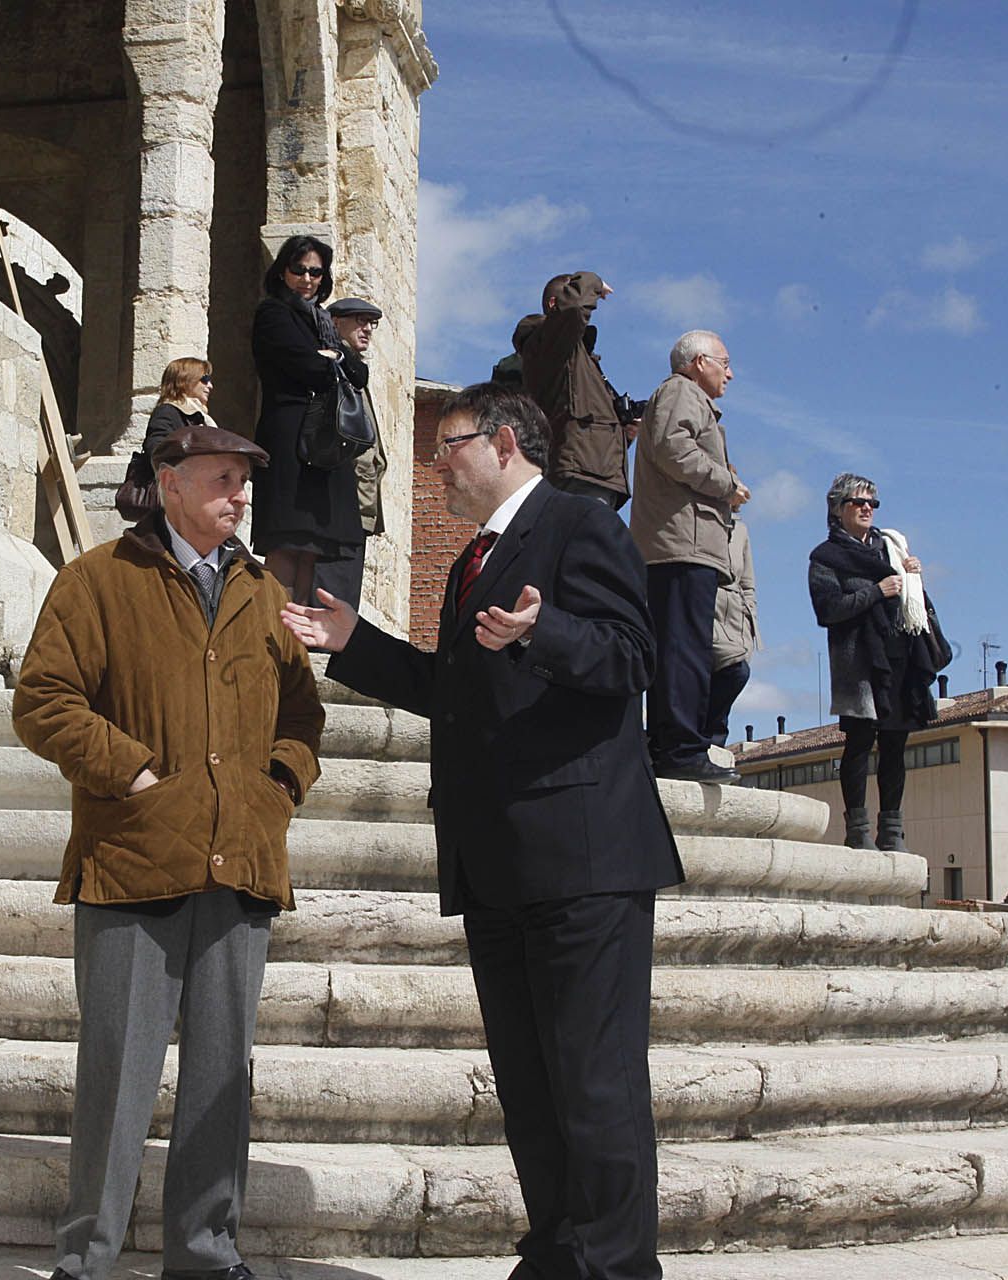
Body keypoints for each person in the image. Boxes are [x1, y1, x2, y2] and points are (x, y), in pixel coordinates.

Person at [281, 383, 682, 1280]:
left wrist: (548, 632)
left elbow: (632, 657)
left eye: (447, 446)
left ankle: (615, 1268)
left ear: (502, 442)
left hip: (581, 855)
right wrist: (356, 642)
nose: (437, 466)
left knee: (594, 1084)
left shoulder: (579, 527)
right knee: (531, 1090)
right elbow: (454, 694)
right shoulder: (475, 559)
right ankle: (554, 1255)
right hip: (497, 861)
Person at [13, 423, 325, 1280]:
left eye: (244, 481)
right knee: (116, 1074)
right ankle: (87, 1258)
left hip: (242, 861)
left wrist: (279, 786)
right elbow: (42, 701)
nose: (240, 494)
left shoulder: (262, 595)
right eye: (223, 478)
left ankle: (205, 1252)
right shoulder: (96, 583)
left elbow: (302, 712)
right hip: (133, 860)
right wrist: (134, 773)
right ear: (170, 482)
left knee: (223, 1077)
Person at [807, 471, 951, 852]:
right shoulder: (825, 557)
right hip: (860, 665)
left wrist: (913, 578)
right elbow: (828, 609)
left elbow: (911, 604)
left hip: (900, 657)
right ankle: (857, 830)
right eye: (859, 502)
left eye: (873, 502)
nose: (868, 508)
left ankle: (893, 831)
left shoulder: (893, 549)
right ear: (838, 509)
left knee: (895, 745)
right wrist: (877, 591)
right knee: (859, 743)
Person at [632, 329, 749, 784]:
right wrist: (726, 483)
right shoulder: (681, 392)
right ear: (699, 361)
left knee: (683, 647)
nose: (730, 373)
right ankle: (679, 749)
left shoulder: (682, 397)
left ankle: (675, 745)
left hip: (683, 542)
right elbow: (672, 450)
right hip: (681, 545)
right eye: (724, 362)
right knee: (683, 649)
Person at [250, 233, 369, 603]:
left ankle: (295, 642)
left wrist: (331, 356)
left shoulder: (324, 322)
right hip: (290, 442)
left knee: (312, 549)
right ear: (283, 271)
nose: (307, 279)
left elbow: (359, 374)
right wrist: (330, 360)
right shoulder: (273, 313)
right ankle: (271, 636)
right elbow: (306, 366)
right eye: (299, 269)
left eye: (315, 272)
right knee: (286, 544)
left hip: (324, 445)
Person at [512, 271, 639, 506]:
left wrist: (625, 430)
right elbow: (574, 308)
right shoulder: (544, 342)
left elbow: (584, 422)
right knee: (582, 542)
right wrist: (594, 282)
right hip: (579, 473)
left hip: (595, 473)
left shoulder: (579, 361)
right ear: (554, 304)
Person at [313, 296, 387, 611]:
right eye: (359, 320)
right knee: (329, 597)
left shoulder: (353, 370)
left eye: (372, 323)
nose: (367, 328)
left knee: (343, 598)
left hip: (357, 504)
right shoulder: (331, 363)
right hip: (336, 502)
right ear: (335, 322)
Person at [709, 512, 759, 750]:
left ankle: (715, 745)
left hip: (736, 622)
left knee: (735, 672)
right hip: (707, 609)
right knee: (731, 672)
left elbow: (748, 584)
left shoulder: (741, 529)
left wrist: (750, 622)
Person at [141, 357, 220, 464]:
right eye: (205, 379)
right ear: (185, 380)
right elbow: (157, 452)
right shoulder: (168, 411)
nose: (210, 386)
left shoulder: (199, 415)